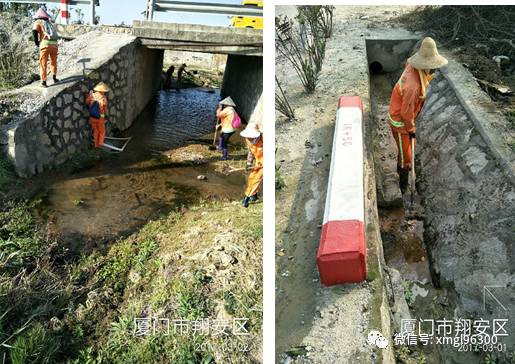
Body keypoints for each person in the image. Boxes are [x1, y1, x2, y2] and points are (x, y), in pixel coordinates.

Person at [388, 37, 447, 193]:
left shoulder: (412, 65)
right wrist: (411, 129)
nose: (434, 70)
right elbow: (405, 113)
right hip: (399, 122)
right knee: (406, 155)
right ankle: (403, 185)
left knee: (411, 148)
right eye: (432, 66)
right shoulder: (413, 86)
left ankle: (405, 173)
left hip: (405, 118)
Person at [32, 7, 59, 87]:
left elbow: (34, 32)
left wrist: (37, 43)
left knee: (43, 63)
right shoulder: (49, 23)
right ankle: (54, 78)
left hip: (45, 45)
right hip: (54, 45)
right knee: (53, 61)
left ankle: (44, 82)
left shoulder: (38, 22)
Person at [240, 122, 263, 208]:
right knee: (251, 178)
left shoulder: (263, 139)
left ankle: (247, 197)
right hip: (258, 162)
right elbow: (251, 152)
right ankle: (254, 196)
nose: (249, 138)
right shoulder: (247, 139)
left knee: (256, 179)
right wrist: (249, 163)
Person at [85, 82, 110, 148]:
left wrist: (89, 95)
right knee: (102, 131)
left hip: (92, 117)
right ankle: (100, 143)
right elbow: (104, 109)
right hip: (100, 118)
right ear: (103, 91)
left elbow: (87, 102)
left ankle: (96, 145)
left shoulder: (92, 95)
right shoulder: (103, 98)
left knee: (95, 130)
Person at [215, 96, 238, 160]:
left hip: (228, 129)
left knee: (225, 142)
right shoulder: (232, 109)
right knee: (221, 136)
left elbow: (218, 115)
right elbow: (227, 119)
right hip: (230, 128)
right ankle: (220, 147)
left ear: (227, 104)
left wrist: (219, 108)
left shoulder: (228, 110)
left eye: (224, 104)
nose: (223, 105)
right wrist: (219, 125)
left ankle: (225, 156)